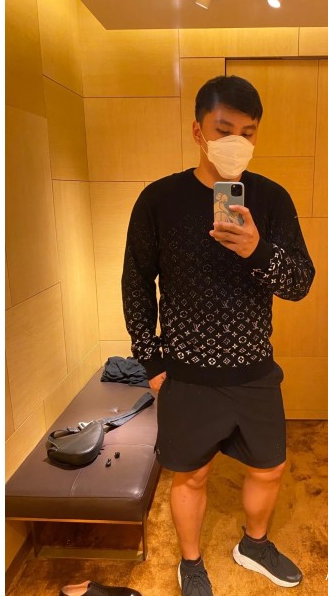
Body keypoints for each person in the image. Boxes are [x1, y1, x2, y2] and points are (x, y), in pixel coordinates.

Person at [122, 75, 315, 596]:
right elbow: (136, 282)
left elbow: (300, 283)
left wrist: (257, 250)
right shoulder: (159, 199)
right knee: (191, 476)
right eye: (224, 130)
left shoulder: (271, 199)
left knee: (269, 468)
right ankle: (191, 563)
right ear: (198, 131)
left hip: (254, 368)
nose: (237, 143)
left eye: (248, 133)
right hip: (185, 373)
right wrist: (150, 361)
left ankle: (254, 544)